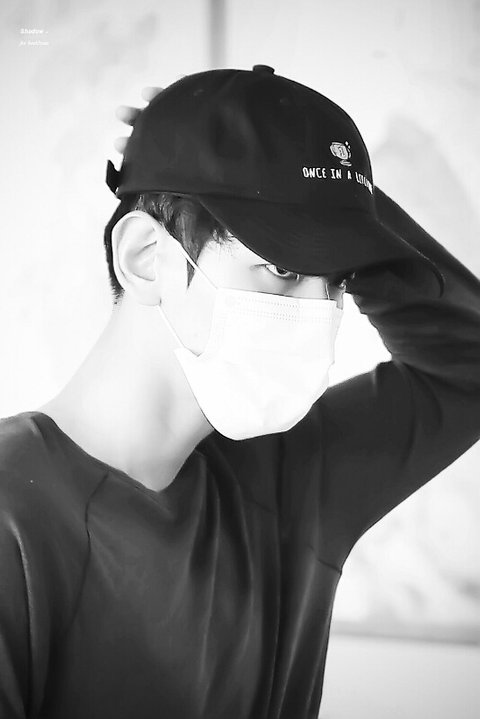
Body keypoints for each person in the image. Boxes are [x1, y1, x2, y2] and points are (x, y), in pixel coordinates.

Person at [0, 65, 479, 719]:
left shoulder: (292, 479)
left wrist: (341, 201)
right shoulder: (14, 522)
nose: (319, 310)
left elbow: (468, 367)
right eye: (281, 267)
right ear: (146, 258)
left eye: (337, 280)